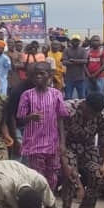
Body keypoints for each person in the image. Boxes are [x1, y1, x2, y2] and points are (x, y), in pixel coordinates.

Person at [16, 62, 69, 191]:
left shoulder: (56, 94)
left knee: (52, 177)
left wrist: (62, 143)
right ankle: (37, 205)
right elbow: (20, 118)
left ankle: (48, 204)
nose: (38, 76)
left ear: (50, 75)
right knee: (37, 177)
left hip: (52, 143)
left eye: (42, 73)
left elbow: (60, 118)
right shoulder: (27, 95)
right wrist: (30, 117)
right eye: (36, 74)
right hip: (34, 143)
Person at [61, 93, 104, 208]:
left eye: (95, 114)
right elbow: (60, 137)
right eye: (90, 112)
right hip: (67, 145)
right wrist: (79, 184)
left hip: (87, 146)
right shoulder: (67, 109)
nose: (91, 117)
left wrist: (103, 164)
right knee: (71, 173)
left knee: (98, 175)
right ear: (84, 105)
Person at [61, 35, 89, 100]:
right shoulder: (66, 50)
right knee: (68, 97)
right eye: (74, 40)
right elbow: (64, 62)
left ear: (79, 42)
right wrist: (79, 61)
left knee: (82, 97)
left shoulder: (83, 50)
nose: (75, 42)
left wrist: (73, 60)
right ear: (71, 41)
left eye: (77, 41)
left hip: (80, 78)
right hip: (69, 78)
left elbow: (85, 61)